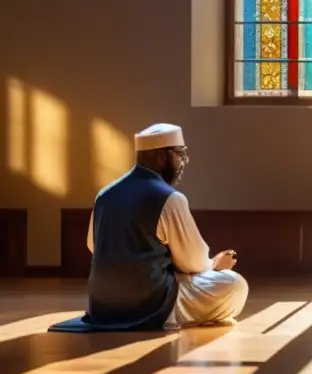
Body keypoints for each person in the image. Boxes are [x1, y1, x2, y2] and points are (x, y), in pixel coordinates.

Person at [51, 124, 248, 332]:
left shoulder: (105, 194)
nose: (184, 161)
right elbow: (193, 262)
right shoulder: (169, 198)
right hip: (150, 305)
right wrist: (215, 263)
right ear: (162, 158)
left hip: (103, 306)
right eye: (180, 155)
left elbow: (94, 246)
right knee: (234, 284)